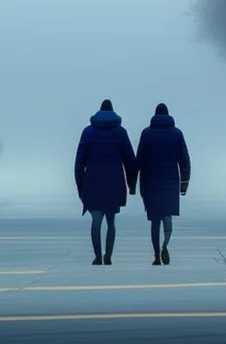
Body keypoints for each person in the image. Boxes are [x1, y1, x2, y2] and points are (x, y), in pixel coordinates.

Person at [74, 99, 138, 265]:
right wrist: (132, 185)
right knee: (111, 221)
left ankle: (97, 256)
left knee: (96, 221)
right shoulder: (121, 133)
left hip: (93, 183)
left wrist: (80, 185)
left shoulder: (88, 132)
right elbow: (130, 161)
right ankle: (108, 256)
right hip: (114, 184)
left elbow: (79, 161)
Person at [136, 103, 191, 266]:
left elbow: (139, 159)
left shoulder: (146, 134)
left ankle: (156, 256)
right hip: (170, 181)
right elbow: (184, 160)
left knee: (155, 221)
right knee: (168, 216)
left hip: (151, 182)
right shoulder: (177, 134)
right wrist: (184, 183)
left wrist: (133, 183)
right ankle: (165, 244)